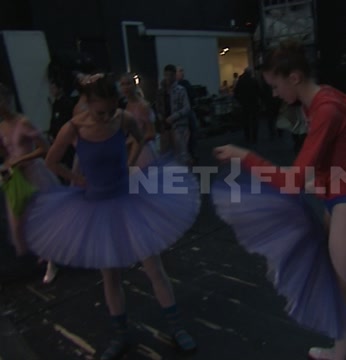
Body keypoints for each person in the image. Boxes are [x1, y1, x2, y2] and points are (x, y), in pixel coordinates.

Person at [213, 40, 346, 360]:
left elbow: (294, 180)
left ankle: (343, 354)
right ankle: (342, 349)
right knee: (334, 279)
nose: (273, 93)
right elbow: (331, 161)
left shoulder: (324, 108)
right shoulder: (317, 101)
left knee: (343, 285)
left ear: (294, 78)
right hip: (337, 195)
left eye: (275, 85)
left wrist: (245, 156)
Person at [22, 74, 199, 359]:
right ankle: (120, 335)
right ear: (88, 105)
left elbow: (140, 140)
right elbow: (51, 160)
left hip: (128, 200)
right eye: (99, 112)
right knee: (111, 276)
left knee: (154, 267)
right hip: (97, 206)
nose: (105, 117)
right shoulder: (73, 128)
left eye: (109, 110)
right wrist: (77, 179)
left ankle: (176, 327)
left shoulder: (123, 118)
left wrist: (129, 165)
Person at [0, 83, 59, 284]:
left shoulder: (22, 122)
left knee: (44, 217)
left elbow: (45, 147)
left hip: (34, 172)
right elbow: (7, 152)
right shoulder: (2, 126)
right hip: (18, 177)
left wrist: (20, 159)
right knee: (26, 220)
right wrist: (8, 163)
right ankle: (44, 251)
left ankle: (53, 260)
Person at [119, 73, 158, 168]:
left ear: (134, 85)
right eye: (122, 84)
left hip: (143, 150)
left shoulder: (143, 106)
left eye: (128, 84)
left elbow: (151, 133)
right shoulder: (125, 105)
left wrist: (134, 140)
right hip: (130, 149)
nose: (125, 87)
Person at [156, 65, 192, 165]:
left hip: (178, 126)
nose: (168, 77)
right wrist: (160, 116)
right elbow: (158, 106)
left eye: (170, 75)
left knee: (181, 154)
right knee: (166, 154)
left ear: (174, 75)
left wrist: (173, 117)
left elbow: (186, 108)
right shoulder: (161, 91)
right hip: (165, 127)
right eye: (166, 75)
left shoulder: (180, 90)